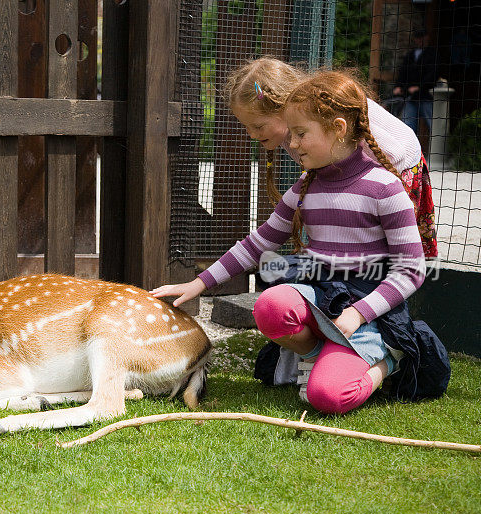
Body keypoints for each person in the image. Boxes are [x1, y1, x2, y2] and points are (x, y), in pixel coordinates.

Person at [152, 70, 449, 414]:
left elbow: (410, 270)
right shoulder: (307, 186)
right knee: (272, 304)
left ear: (338, 130)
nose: (291, 144)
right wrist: (199, 282)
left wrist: (358, 313)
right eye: (290, 133)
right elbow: (257, 242)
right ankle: (313, 355)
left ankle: (388, 360)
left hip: (365, 306)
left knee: (328, 398)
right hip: (322, 294)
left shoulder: (385, 187)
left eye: (300, 134)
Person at [225, 57, 437, 257]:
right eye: (246, 127)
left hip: (401, 168)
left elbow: (396, 155)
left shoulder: (327, 106)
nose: (252, 134)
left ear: (281, 106)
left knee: (390, 248)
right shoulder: (294, 132)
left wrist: (365, 190)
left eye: (258, 126)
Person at [393, 29, 439, 135]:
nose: (420, 41)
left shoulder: (432, 54)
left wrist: (420, 87)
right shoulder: (410, 55)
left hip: (426, 96)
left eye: (422, 38)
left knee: (434, 125)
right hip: (410, 97)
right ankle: (411, 151)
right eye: (418, 38)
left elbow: (433, 74)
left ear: (427, 38)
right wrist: (399, 86)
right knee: (408, 126)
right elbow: (403, 72)